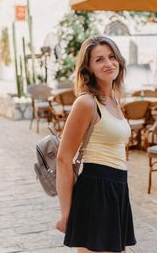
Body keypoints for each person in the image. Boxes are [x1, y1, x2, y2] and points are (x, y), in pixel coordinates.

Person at [55, 35, 136, 253]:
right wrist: (66, 214)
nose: (108, 63)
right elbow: (63, 159)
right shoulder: (86, 102)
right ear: (88, 68)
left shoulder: (113, 100)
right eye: (99, 59)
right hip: (96, 191)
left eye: (112, 57)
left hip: (117, 188)